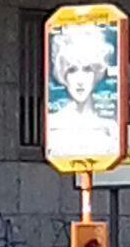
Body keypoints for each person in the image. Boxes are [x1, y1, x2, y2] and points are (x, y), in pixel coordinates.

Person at [47, 25, 118, 160]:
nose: (80, 80)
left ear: (98, 72)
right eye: (72, 70)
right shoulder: (53, 124)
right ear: (63, 74)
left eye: (87, 69)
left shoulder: (110, 127)